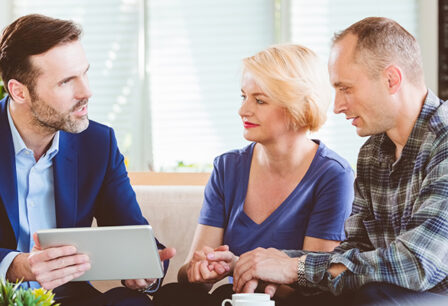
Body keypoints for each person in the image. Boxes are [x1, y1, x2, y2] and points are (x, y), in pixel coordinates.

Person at [221, 17, 448, 305]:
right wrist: (278, 264)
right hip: (389, 295)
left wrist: (294, 268)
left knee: (368, 297)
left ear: (391, 80)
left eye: (345, 88)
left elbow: (418, 264)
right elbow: (353, 255)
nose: (336, 106)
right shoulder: (373, 153)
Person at [154, 44, 355, 305]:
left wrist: (241, 267)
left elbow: (316, 286)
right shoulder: (227, 168)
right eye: (243, 97)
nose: (243, 110)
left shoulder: (333, 175)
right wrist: (202, 271)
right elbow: (189, 273)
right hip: (236, 299)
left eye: (259, 100)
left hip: (289, 302)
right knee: (175, 295)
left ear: (298, 107)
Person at [0, 14, 175, 305]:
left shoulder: (98, 144)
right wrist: (15, 266)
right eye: (66, 82)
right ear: (19, 91)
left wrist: (145, 270)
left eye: (84, 73)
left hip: (67, 299)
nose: (86, 92)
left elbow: (132, 232)